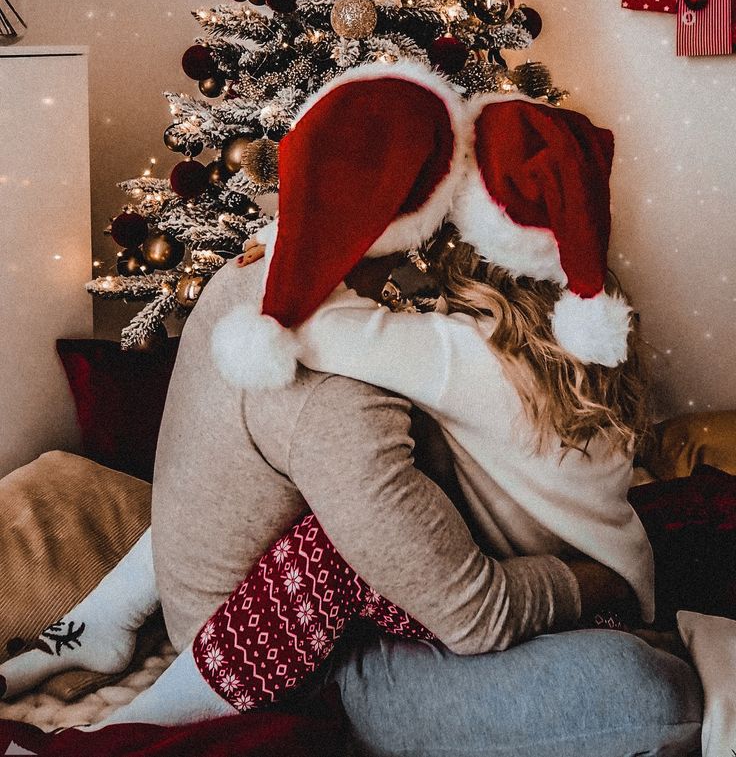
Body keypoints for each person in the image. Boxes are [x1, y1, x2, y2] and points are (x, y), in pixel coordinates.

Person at [0, 63, 703, 755]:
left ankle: (133, 722)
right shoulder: (596, 336)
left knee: (331, 544)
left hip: (557, 599)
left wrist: (287, 250)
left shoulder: (466, 355)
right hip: (617, 581)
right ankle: (104, 621)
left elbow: (322, 330)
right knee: (357, 489)